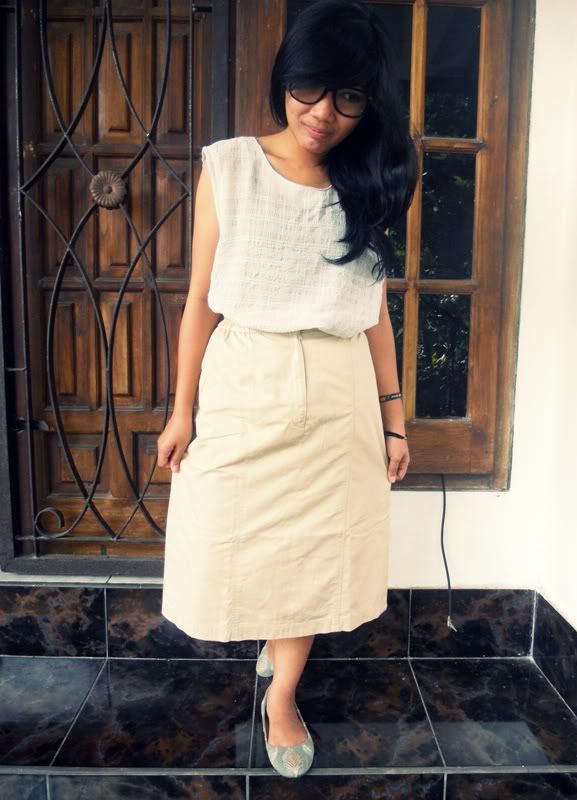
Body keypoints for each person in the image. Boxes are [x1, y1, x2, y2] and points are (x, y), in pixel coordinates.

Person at [158, 0, 417, 780]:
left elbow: (374, 313)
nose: (323, 113)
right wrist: (181, 411)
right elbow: (200, 300)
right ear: (285, 77)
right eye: (310, 88)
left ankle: (282, 696)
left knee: (312, 551)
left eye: (349, 97)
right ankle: (273, 653)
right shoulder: (230, 167)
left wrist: (395, 421)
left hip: (337, 390)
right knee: (236, 535)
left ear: (369, 104)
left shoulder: (367, 179)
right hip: (244, 378)